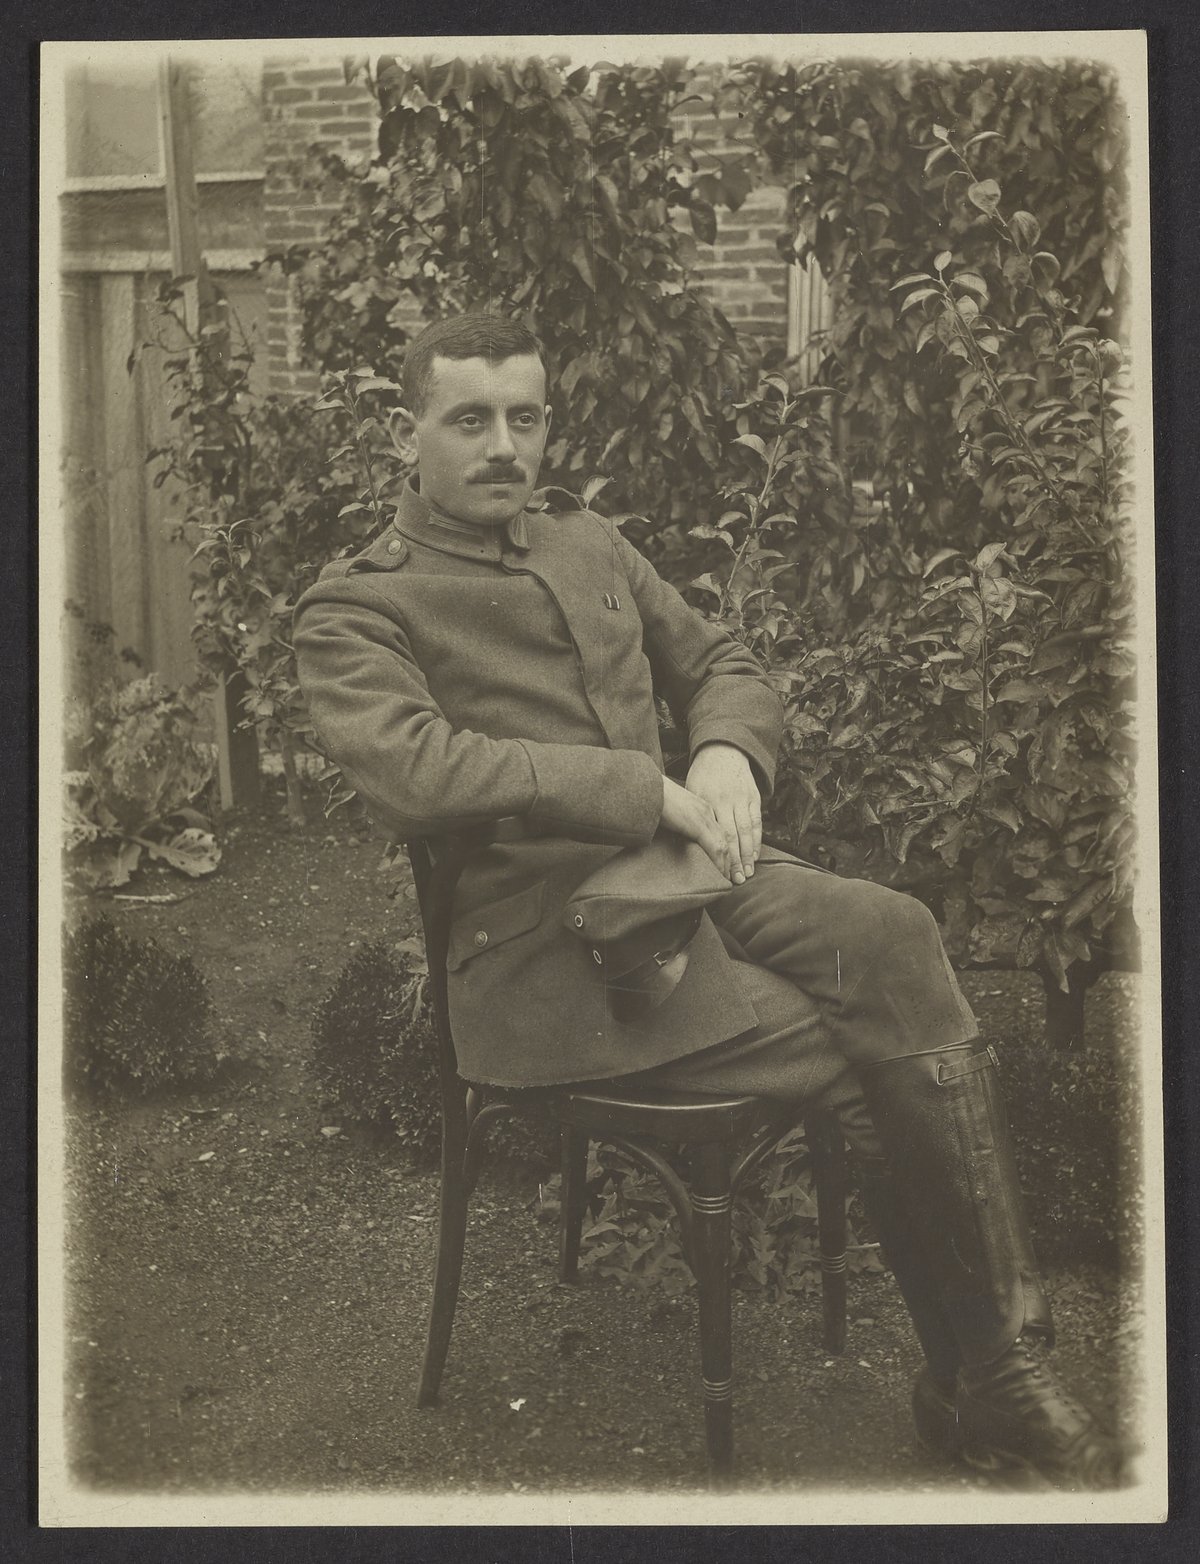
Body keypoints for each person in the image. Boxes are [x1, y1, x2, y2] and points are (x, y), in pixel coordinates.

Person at [293, 312, 1121, 1490]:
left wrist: (727, 754)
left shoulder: (587, 540)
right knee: (875, 1048)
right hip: (546, 952)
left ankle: (995, 1372)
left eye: (525, 417)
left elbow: (722, 662)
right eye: (470, 419)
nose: (504, 446)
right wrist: (649, 790)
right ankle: (991, 1377)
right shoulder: (357, 608)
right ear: (406, 432)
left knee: (897, 937)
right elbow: (417, 773)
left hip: (691, 879)